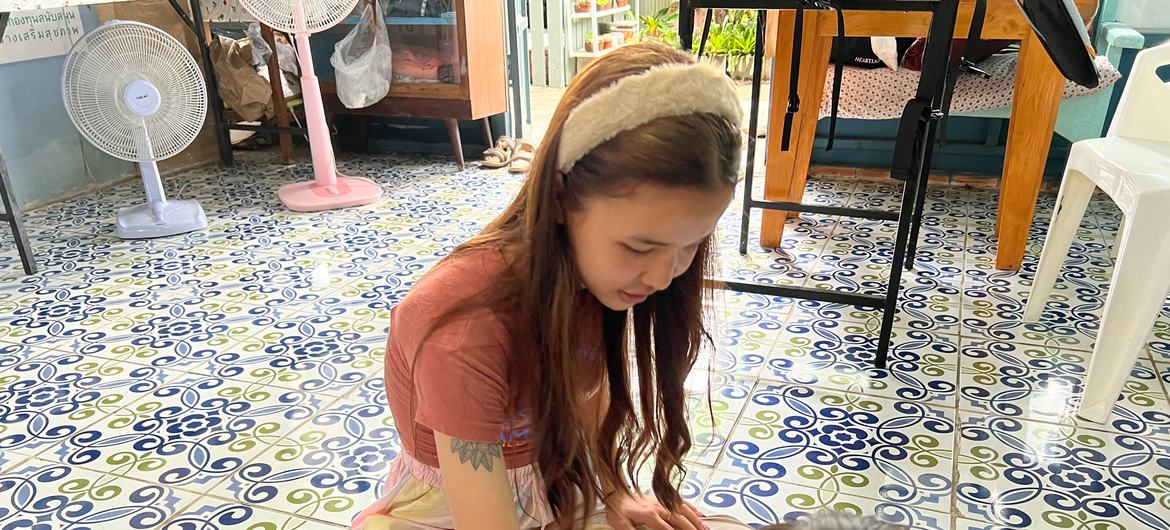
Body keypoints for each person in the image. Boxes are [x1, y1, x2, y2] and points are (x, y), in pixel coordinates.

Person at [353, 42, 753, 530]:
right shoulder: (465, 332)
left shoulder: (594, 277)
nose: (663, 277)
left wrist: (613, 489)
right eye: (639, 247)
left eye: (690, 246)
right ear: (561, 197)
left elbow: (584, 384)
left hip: (550, 481)